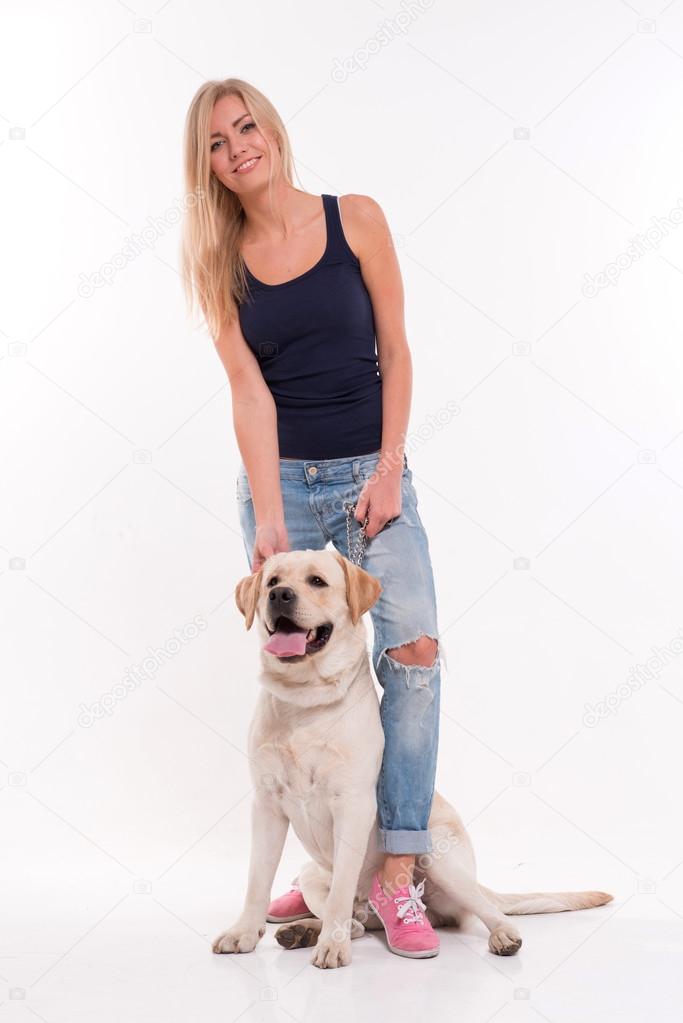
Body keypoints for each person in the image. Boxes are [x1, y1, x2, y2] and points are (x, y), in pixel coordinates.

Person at [181, 77, 445, 958]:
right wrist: (264, 510)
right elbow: (248, 392)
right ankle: (324, 871)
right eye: (217, 141)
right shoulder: (218, 264)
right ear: (207, 165)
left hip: (371, 468)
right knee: (296, 664)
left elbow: (396, 348)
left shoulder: (354, 219)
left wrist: (388, 465)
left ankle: (397, 873)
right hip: (284, 479)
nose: (238, 147)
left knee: (411, 650)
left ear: (271, 129)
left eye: (245, 126)